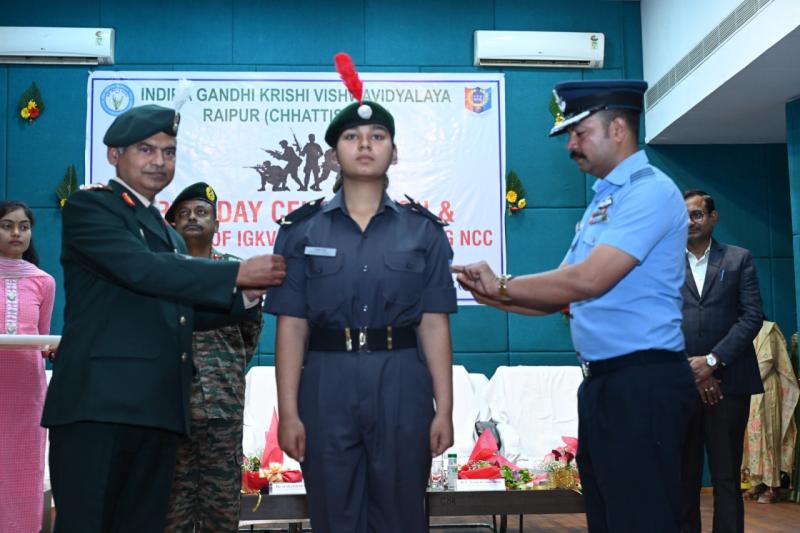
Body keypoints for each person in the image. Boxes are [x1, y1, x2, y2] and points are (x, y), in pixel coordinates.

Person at [454, 80, 696, 533]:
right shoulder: (604, 201)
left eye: (579, 133)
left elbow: (588, 279)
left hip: (643, 382)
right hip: (604, 385)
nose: (570, 146)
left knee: (644, 519)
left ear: (618, 129)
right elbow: (562, 297)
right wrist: (491, 295)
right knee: (608, 518)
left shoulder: (650, 192)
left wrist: (502, 284)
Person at [41, 104, 286, 533]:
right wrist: (235, 274)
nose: (159, 161)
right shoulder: (91, 207)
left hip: (157, 412)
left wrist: (247, 296)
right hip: (99, 408)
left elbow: (178, 311)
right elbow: (142, 269)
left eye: (168, 152)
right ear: (115, 154)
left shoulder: (167, 233)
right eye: (146, 149)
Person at [265, 98, 457, 533]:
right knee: (333, 514)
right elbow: (292, 327)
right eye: (352, 137)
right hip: (326, 382)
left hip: (402, 379)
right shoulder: (301, 230)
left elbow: (433, 323)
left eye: (377, 136)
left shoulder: (423, 230)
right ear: (334, 156)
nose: (365, 145)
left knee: (402, 513)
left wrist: (444, 409)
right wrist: (289, 412)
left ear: (394, 152)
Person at [163, 182, 264, 531]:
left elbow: (250, 336)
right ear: (172, 225)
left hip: (223, 405)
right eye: (184, 213)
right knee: (171, 513)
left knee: (220, 513)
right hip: (169, 409)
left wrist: (224, 368)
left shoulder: (238, 272)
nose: (192, 218)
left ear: (217, 224)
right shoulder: (160, 273)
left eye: (201, 212)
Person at [679, 189, 763, 533]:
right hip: (681, 385)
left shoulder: (738, 259)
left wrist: (713, 361)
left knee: (726, 477)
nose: (690, 222)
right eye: (684, 216)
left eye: (697, 214)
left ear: (713, 217)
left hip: (730, 384)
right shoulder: (662, 262)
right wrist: (694, 372)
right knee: (682, 476)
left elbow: (752, 316)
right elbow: (656, 319)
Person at [0, 200, 56, 532]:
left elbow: (43, 339)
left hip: (27, 390)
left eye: (23, 227)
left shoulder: (44, 281)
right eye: (7, 225)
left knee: (24, 466)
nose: (16, 233)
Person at [742, 319, 799, 504]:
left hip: (765, 388)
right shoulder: (742, 330)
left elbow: (766, 363)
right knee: (752, 436)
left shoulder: (769, 330)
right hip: (748, 390)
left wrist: (743, 381)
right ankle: (757, 481)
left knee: (769, 434)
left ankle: (773, 485)